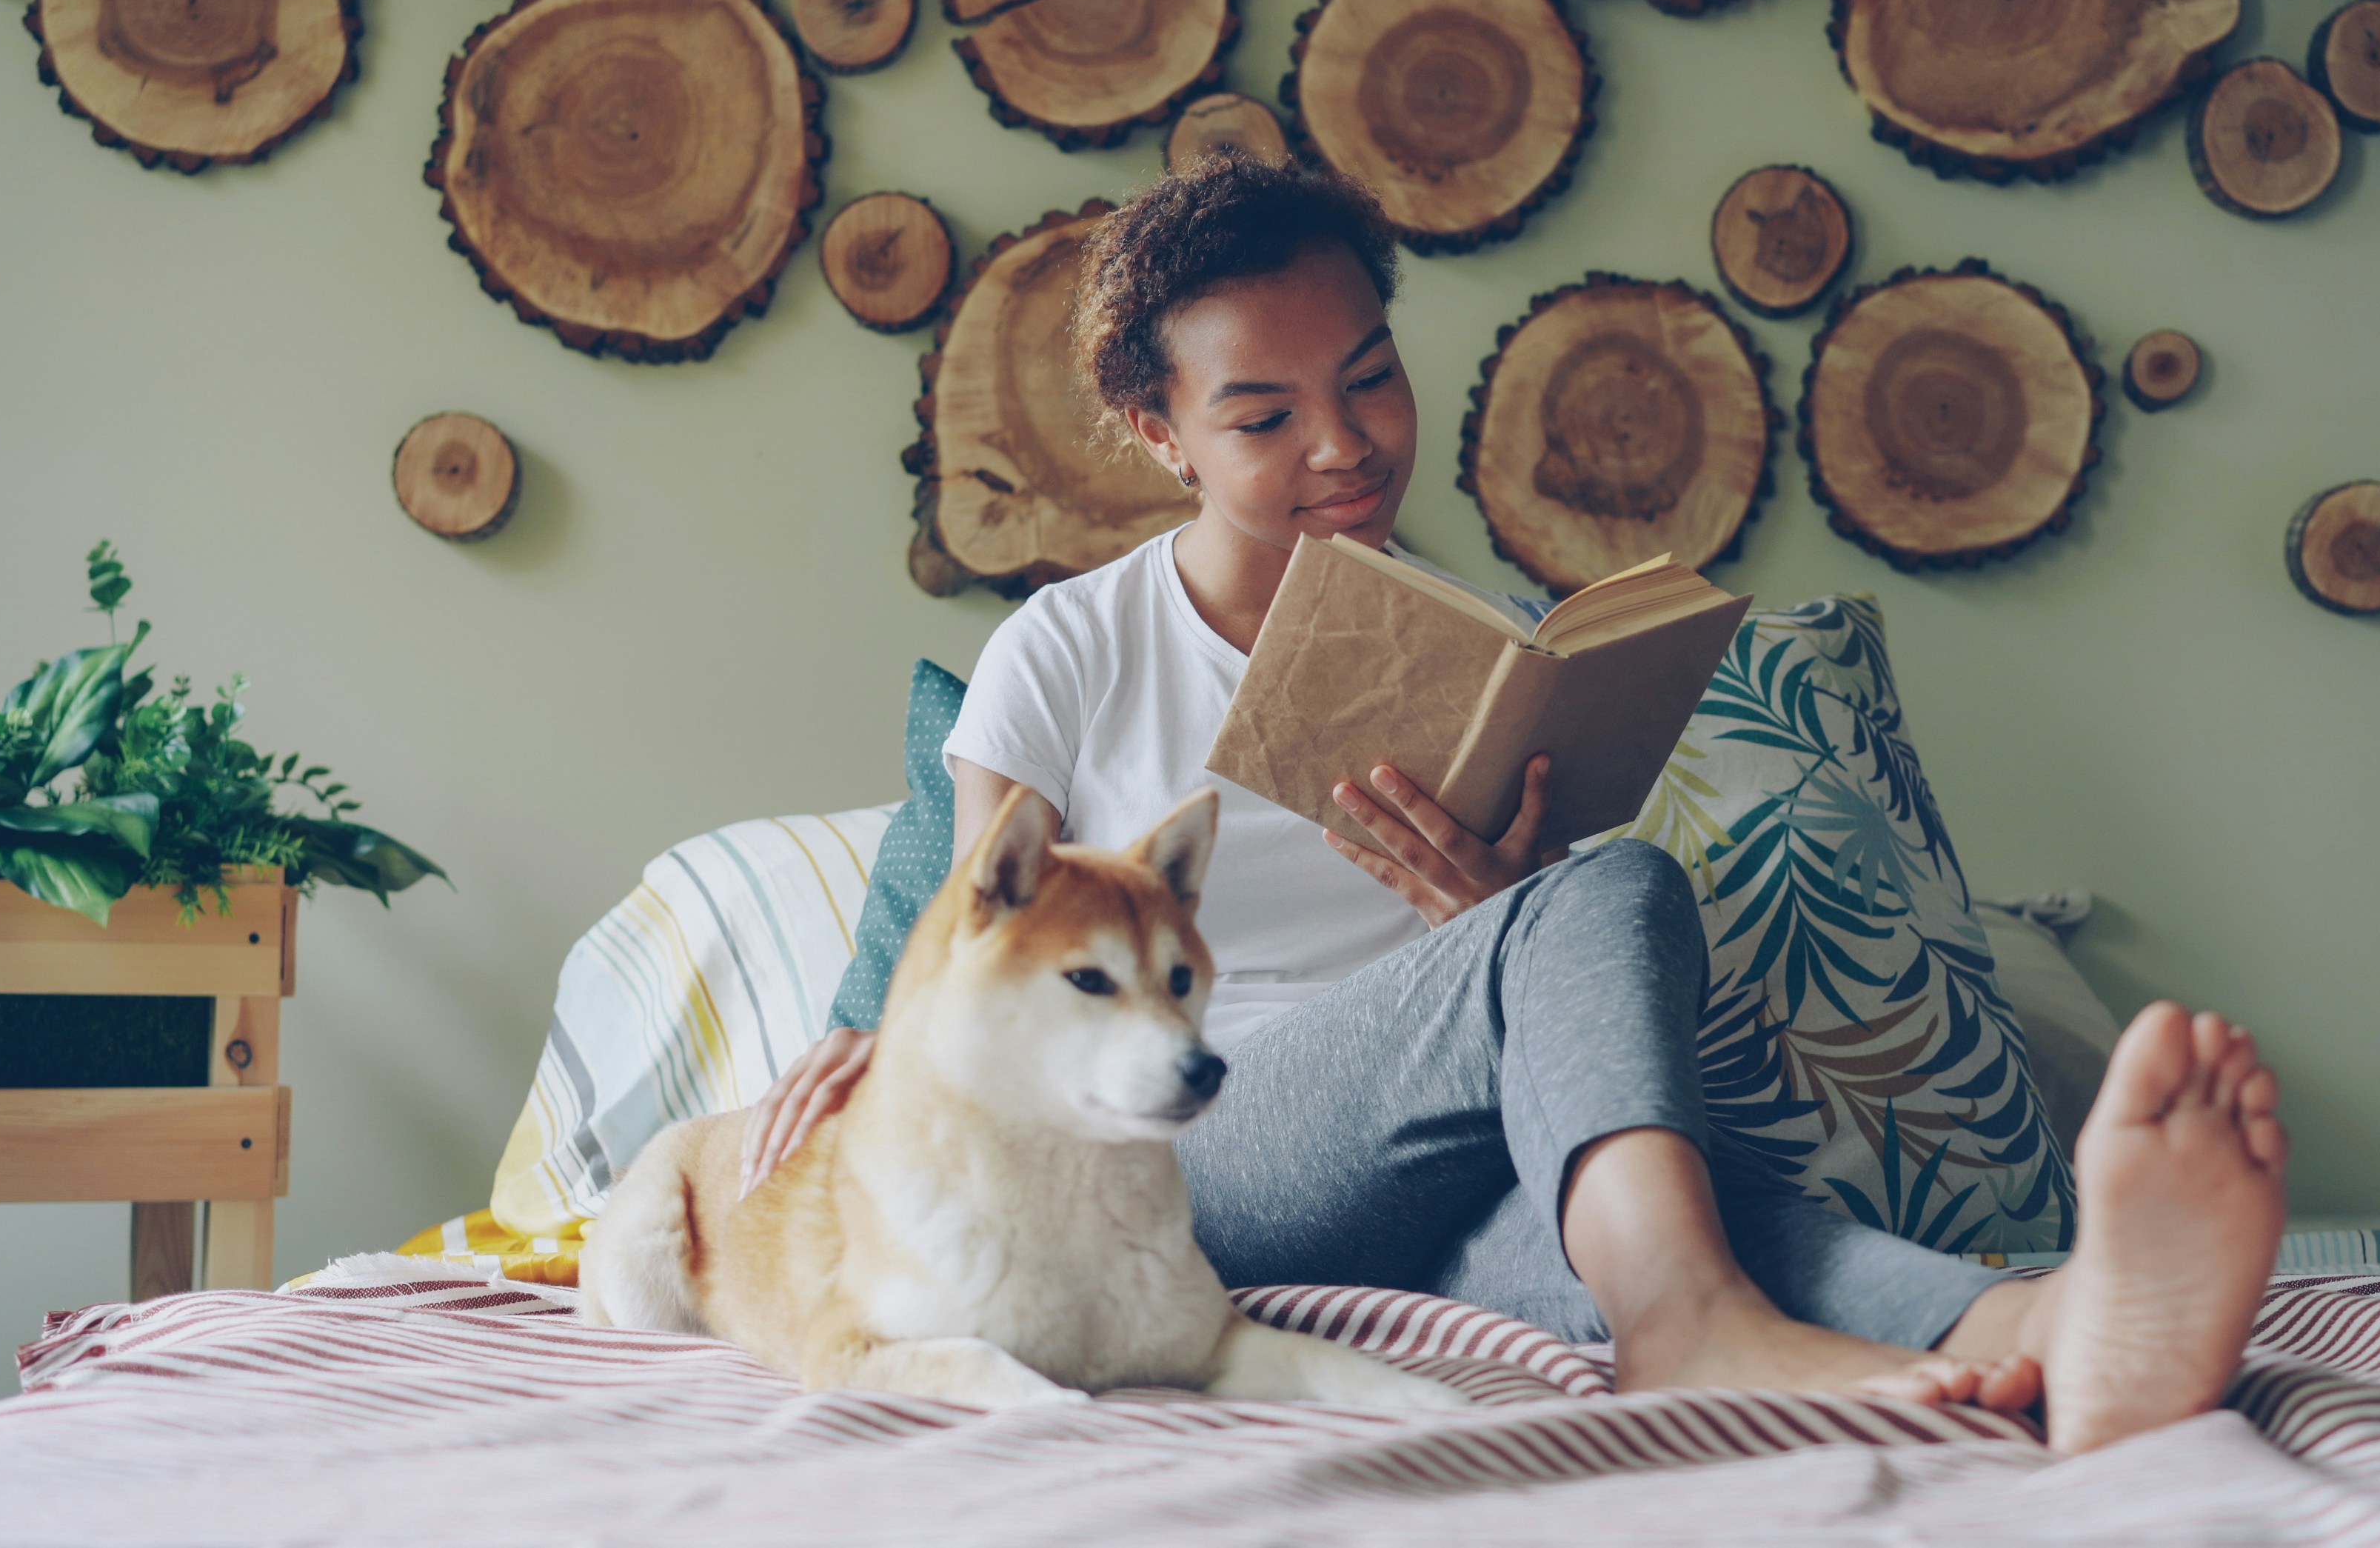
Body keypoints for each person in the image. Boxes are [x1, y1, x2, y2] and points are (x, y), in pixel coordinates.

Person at [740, 156, 2288, 1453]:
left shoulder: (1477, 634)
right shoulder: (1068, 648)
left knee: (1641, 1186)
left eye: (1366, 381)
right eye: (1263, 416)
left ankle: (2044, 1328)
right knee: (1617, 898)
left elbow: (1545, 1002)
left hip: (1421, 1168)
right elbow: (970, 940)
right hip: (1175, 1151)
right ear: (1162, 435)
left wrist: (1488, 925)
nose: (1342, 447)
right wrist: (867, 1043)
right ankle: (1693, 1329)